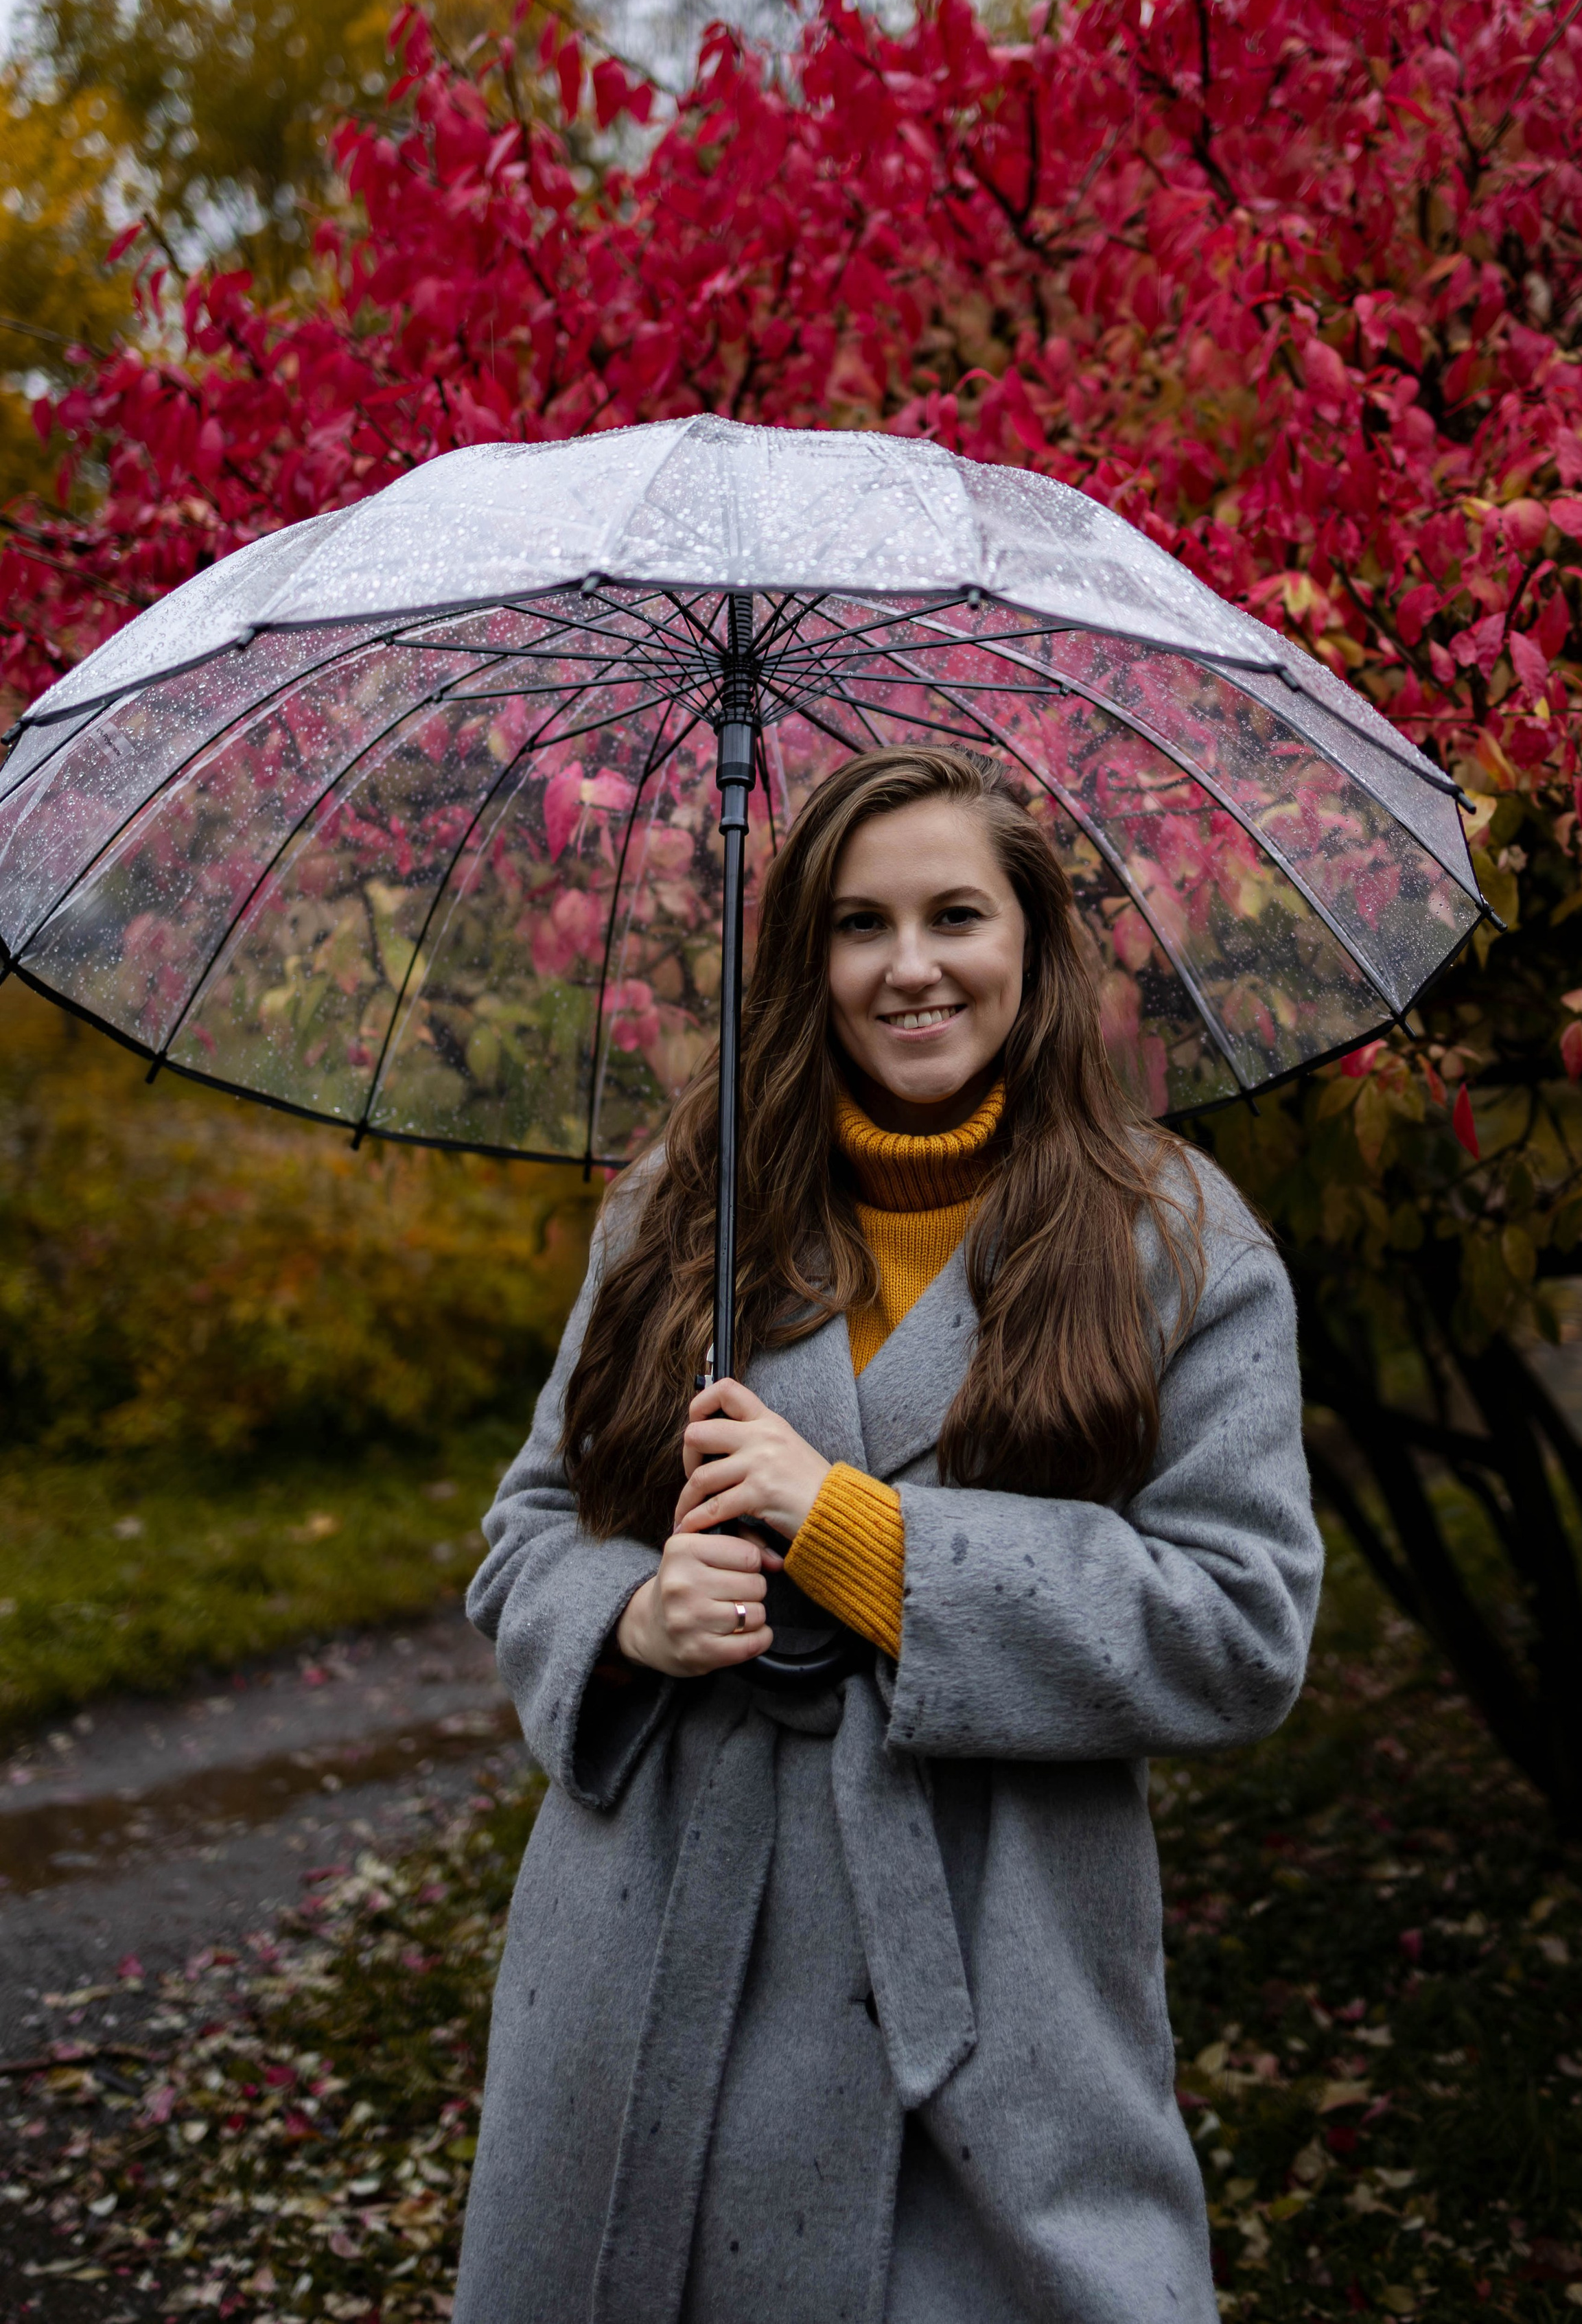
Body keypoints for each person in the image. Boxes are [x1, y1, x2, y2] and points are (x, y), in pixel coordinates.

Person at [453, 745, 1322, 2324]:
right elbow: (526, 1531)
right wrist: (631, 1616)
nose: (908, 968)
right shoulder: (682, 1207)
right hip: (652, 1958)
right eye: (859, 924)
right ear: (810, 958)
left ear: (1035, 945)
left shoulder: (1174, 1241)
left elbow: (1239, 1625)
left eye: (954, 916)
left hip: (993, 1979)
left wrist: (856, 1532)